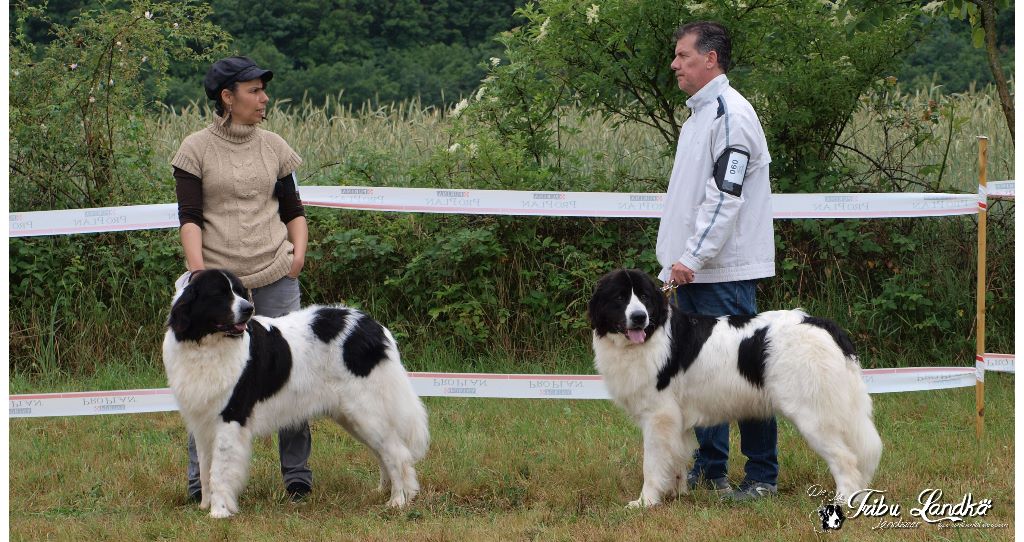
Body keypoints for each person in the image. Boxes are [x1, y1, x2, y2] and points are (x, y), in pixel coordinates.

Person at [171, 56, 313, 503]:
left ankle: (297, 476)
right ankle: (203, 484)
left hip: (274, 275)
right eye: (254, 91)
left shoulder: (275, 146)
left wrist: (297, 258)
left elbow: (294, 210)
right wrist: (198, 273)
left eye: (263, 90)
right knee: (206, 387)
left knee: (293, 376)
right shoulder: (194, 149)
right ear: (227, 98)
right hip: (217, 289)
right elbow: (190, 217)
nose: (264, 98)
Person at [655, 21, 778, 501]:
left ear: (711, 60)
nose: (675, 64)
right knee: (703, 377)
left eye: (683, 56)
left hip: (720, 271)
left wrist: (693, 257)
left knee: (746, 376)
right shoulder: (699, 117)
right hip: (695, 270)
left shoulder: (730, 115)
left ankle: (763, 477)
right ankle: (711, 472)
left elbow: (725, 196)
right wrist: (679, 261)